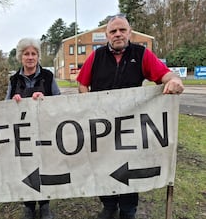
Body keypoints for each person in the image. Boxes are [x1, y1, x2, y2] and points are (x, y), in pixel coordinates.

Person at [76, 15, 184, 219]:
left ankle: (128, 210)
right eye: (113, 31)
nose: (118, 34)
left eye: (122, 30)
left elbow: (164, 74)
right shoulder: (96, 56)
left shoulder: (142, 54)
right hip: (102, 128)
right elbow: (82, 83)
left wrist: (174, 80)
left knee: (129, 168)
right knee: (103, 166)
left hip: (130, 128)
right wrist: (89, 104)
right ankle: (108, 206)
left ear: (130, 32)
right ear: (107, 35)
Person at [6, 38, 60, 219]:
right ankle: (28, 205)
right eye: (26, 54)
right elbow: (4, 107)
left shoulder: (48, 76)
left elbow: (61, 102)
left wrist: (45, 98)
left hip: (45, 130)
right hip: (23, 134)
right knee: (26, 167)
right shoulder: (13, 80)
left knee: (44, 167)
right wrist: (13, 102)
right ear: (20, 57)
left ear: (38, 56)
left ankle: (45, 204)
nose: (30, 57)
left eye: (33, 54)